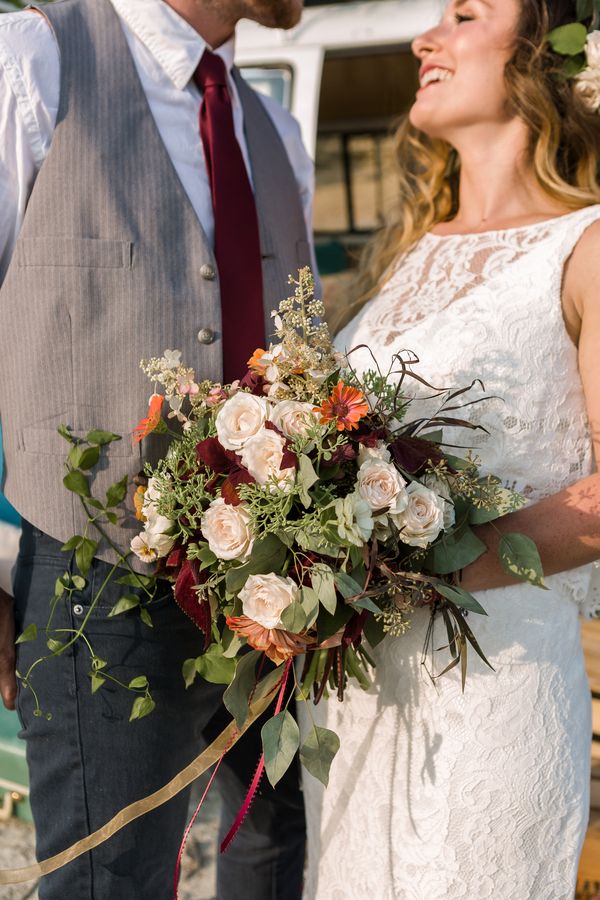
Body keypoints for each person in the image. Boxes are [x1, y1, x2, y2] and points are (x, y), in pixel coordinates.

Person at [0, 0, 314, 897]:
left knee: (272, 852)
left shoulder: (273, 129)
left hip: (282, 592)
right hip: (98, 584)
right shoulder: (35, 62)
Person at [302, 0, 600, 897]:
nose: (424, 40)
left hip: (493, 680)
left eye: (465, 14)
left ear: (539, 57)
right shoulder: (406, 252)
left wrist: (423, 569)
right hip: (358, 697)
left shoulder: (583, 247)